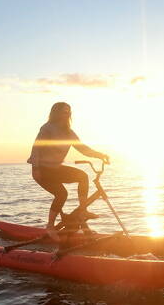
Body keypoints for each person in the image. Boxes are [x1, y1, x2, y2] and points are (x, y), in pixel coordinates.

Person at [27, 102, 110, 240]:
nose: (66, 114)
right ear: (56, 113)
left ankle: (82, 212)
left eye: (68, 112)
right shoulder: (47, 128)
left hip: (56, 168)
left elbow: (83, 148)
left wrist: (100, 155)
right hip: (42, 170)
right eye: (63, 112)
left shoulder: (69, 132)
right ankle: (50, 227)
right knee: (61, 194)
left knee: (82, 176)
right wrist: (35, 169)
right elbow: (36, 149)